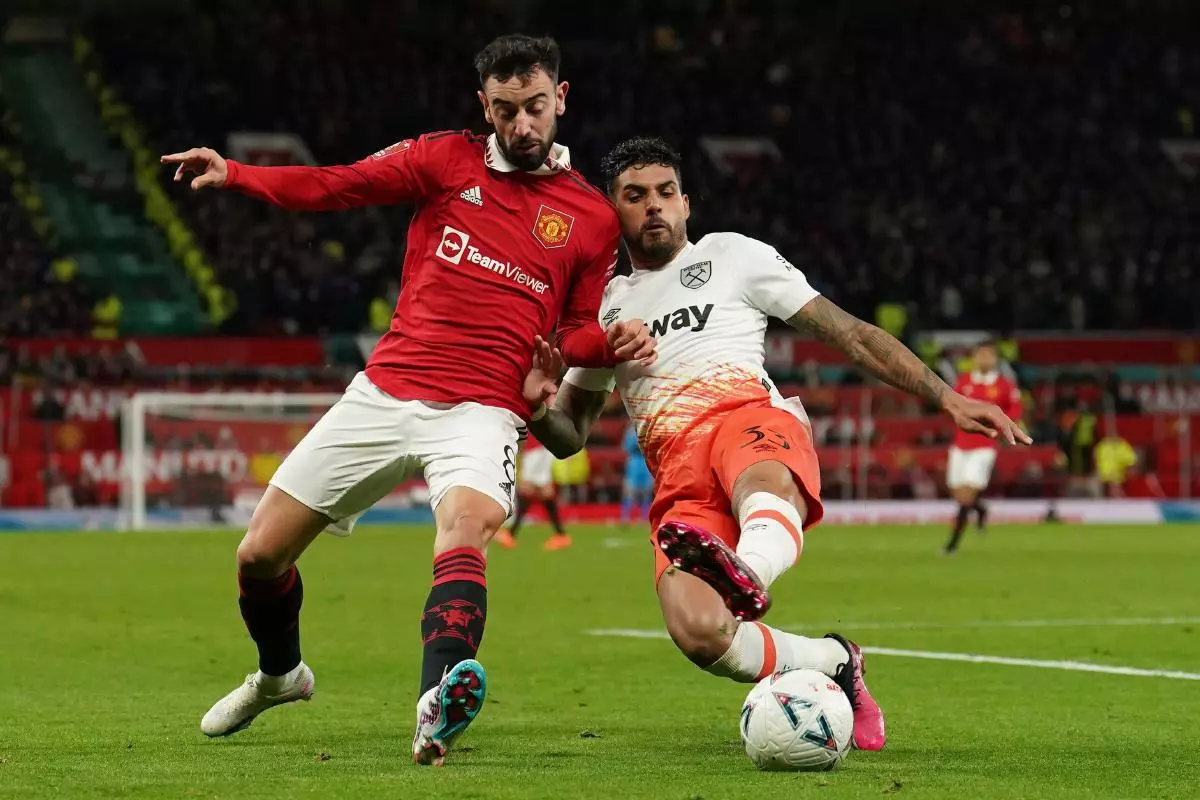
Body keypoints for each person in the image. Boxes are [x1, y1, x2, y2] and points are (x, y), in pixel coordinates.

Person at [161, 35, 654, 765]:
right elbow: (336, 185)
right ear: (483, 105)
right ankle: (280, 676)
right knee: (259, 558)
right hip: (386, 390)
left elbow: (577, 328)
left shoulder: (589, 218)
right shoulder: (441, 159)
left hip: (484, 409)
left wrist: (606, 343)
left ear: (562, 99)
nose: (523, 124)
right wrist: (235, 172)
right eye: (507, 109)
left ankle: (436, 704)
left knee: (466, 528)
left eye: (536, 107)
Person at [520, 137, 1029, 752]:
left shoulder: (733, 256)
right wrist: (538, 404)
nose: (653, 206)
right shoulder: (604, 307)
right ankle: (834, 660)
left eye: (665, 193)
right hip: (679, 473)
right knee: (700, 633)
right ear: (613, 210)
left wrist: (946, 396)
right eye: (635, 196)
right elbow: (570, 434)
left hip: (748, 419)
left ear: (687, 204)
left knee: (758, 476)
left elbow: (848, 332)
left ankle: (746, 571)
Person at [943, 339, 1023, 554]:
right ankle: (981, 509)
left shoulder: (1005, 385)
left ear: (996, 359)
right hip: (960, 444)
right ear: (974, 358)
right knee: (958, 492)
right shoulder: (964, 381)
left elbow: (1015, 411)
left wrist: (999, 427)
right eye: (981, 354)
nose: (985, 358)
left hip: (985, 445)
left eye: (989, 355)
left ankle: (952, 544)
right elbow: (954, 406)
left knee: (966, 495)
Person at [493, 437, 571, 550]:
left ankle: (511, 535)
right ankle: (560, 535)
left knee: (532, 490)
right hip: (537, 448)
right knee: (538, 492)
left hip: (536, 450)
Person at [620, 423, 652, 525]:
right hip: (634, 463)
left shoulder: (648, 428)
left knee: (646, 492)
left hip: (645, 462)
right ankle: (625, 517)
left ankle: (644, 517)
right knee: (630, 492)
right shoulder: (630, 430)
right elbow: (625, 447)